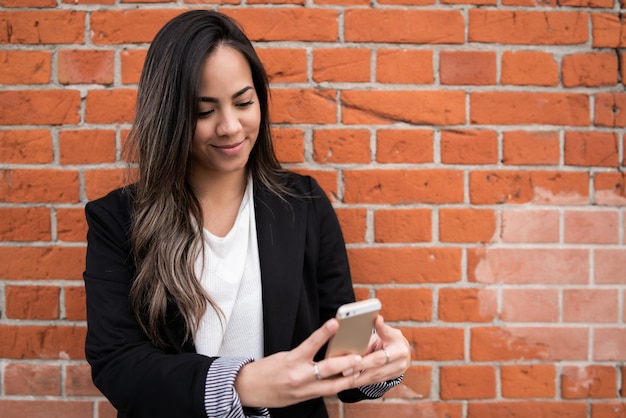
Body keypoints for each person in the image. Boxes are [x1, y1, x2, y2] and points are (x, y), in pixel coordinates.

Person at [83, 9, 410, 418]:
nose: (231, 127)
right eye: (204, 111)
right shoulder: (117, 219)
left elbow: (333, 350)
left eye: (244, 102)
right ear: (168, 115)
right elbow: (118, 365)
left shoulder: (303, 204)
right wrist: (241, 385)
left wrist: (377, 366)